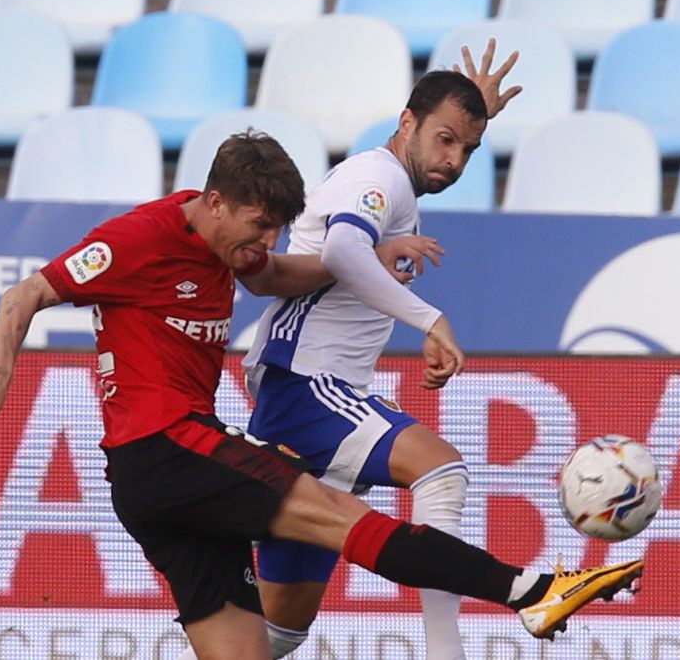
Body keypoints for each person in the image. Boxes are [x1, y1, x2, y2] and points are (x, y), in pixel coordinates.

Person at [0, 131, 643, 660]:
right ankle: (533, 589)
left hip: (149, 480)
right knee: (343, 516)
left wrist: (363, 258)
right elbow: (27, 294)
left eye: (276, 226)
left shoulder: (236, 248)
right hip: (172, 443)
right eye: (258, 224)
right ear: (215, 200)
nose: (266, 241)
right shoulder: (138, 238)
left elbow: (278, 273)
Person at [220, 41, 631, 660]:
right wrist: (430, 320)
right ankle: (448, 650)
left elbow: (342, 256)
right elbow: (341, 252)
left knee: (274, 636)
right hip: (307, 386)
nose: (454, 159)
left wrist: (471, 114)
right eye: (443, 139)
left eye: (466, 148)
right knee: (442, 468)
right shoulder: (377, 175)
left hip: (302, 397)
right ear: (405, 122)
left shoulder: (392, 185)